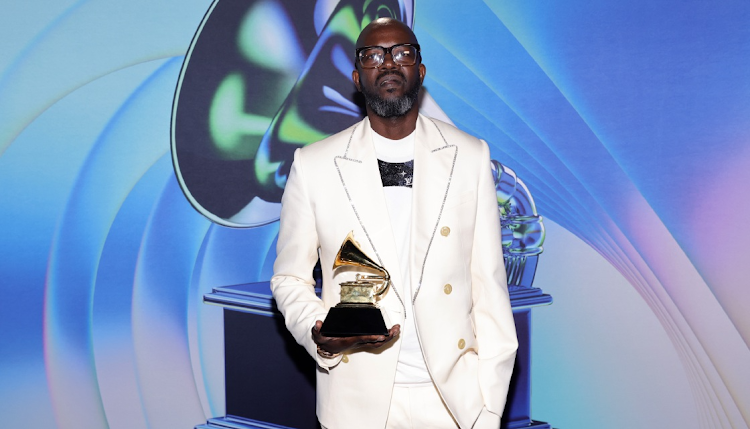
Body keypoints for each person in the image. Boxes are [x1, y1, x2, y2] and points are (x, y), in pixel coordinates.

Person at [271, 17, 518, 429]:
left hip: (453, 403)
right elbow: (288, 278)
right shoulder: (313, 165)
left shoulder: (469, 155)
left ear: (420, 70)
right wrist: (318, 331)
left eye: (402, 53)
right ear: (356, 76)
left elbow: (489, 287)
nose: (388, 63)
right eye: (372, 55)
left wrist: (488, 407)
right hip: (356, 401)